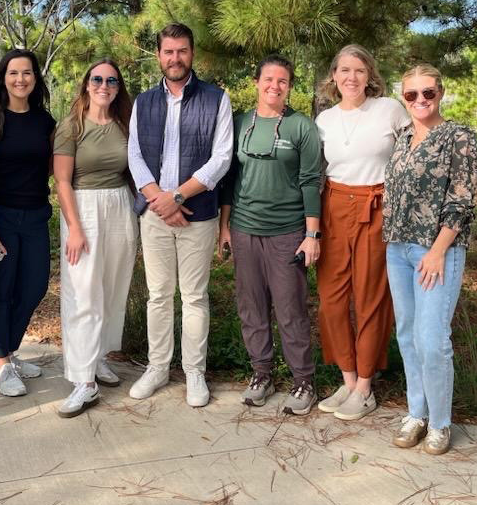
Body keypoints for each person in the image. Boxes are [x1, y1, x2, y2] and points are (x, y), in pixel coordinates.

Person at [127, 23, 234, 407]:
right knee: (158, 296)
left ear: (193, 53)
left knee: (194, 297)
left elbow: (221, 158)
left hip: (198, 214)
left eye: (182, 51)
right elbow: (135, 156)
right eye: (168, 51)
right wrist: (160, 200)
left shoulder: (216, 99)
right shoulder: (143, 102)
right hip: (155, 215)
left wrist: (177, 196)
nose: (175, 58)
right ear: (159, 56)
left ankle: (194, 373)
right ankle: (157, 367)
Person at [218, 55, 322, 414]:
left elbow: (311, 181)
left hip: (287, 233)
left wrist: (312, 234)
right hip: (245, 229)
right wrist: (224, 228)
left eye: (282, 81)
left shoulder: (301, 128)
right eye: (268, 79)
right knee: (251, 307)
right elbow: (229, 179)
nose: (274, 86)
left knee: (291, 310)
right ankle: (261, 373)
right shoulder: (238, 122)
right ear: (256, 81)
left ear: (289, 86)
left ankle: (304, 381)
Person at [384, 64, 477, 455]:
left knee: (432, 338)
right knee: (407, 334)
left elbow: (462, 199)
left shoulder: (458, 137)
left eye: (428, 93)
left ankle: (440, 423)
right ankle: (416, 414)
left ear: (440, 93)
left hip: (436, 251)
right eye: (411, 95)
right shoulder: (403, 138)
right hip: (398, 249)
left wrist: (439, 251)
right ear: (403, 98)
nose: (420, 100)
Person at [314, 45, 410, 421]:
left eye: (359, 70)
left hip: (378, 205)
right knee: (331, 297)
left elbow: (414, 151)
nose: (351, 77)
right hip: (334, 204)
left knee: (370, 297)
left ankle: (366, 385)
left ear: (370, 75)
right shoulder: (324, 120)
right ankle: (348, 378)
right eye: (344, 70)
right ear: (333, 76)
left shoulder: (389, 110)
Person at [53, 58, 138, 418]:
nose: (104, 85)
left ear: (119, 88)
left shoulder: (125, 123)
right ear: (87, 84)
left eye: (112, 81)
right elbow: (61, 181)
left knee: (113, 287)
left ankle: (99, 357)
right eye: (97, 79)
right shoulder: (70, 126)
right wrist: (74, 227)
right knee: (83, 292)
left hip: (119, 204)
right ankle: (82, 379)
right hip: (82, 208)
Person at [0, 49, 56, 397]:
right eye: (13, 73)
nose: (20, 79)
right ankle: (2, 362)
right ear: (2, 78)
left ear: (36, 79)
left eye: (27, 73)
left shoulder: (44, 121)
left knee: (34, 286)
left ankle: (6, 352)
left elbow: (50, 166)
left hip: (36, 215)